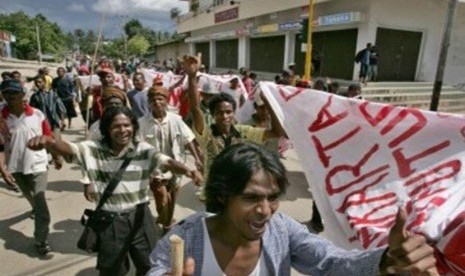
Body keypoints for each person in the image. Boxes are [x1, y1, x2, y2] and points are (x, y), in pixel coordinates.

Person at [147, 143, 438, 276]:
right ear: (223, 196)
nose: (265, 211)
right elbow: (158, 271)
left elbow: (331, 262)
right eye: (251, 198)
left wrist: (385, 260)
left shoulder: (282, 231)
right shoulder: (183, 240)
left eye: (273, 197)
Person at [27, 106, 203, 276]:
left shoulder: (143, 150)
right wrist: (50, 142)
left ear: (133, 127)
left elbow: (168, 162)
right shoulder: (93, 149)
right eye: (116, 126)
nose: (123, 130)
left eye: (127, 125)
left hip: (140, 218)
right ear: (107, 129)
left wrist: (188, 171)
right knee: (112, 270)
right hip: (110, 222)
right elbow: (69, 148)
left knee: (150, 265)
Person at [184, 55, 285, 200]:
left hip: (238, 192)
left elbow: (276, 132)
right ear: (213, 114)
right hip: (214, 193)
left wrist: (268, 103)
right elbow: (195, 109)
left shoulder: (244, 132)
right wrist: (192, 76)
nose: (225, 116)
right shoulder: (207, 134)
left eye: (228, 112)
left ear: (233, 113)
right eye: (220, 113)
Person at [0, 79, 61, 255]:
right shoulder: (1, 117)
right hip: (16, 167)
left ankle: (41, 239)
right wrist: (3, 168)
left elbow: (48, 137)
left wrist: (56, 156)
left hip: (38, 165)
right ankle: (34, 207)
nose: (10, 96)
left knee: (40, 201)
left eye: (13, 92)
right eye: (6, 93)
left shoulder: (36, 114)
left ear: (22, 94)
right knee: (30, 196)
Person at [139, 82, 202, 234]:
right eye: (153, 99)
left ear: (166, 101)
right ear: (149, 103)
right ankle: (167, 226)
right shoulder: (141, 123)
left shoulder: (176, 120)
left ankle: (167, 220)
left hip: (177, 168)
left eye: (161, 98)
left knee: (172, 200)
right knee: (161, 199)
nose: (157, 102)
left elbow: (188, 140)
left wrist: (197, 158)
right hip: (156, 170)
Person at [29, 76, 67, 143]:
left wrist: (63, 120)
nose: (38, 84)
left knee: (57, 142)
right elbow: (32, 110)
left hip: (54, 122)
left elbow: (60, 108)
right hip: (43, 123)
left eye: (40, 82)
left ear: (44, 82)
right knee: (46, 143)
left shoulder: (53, 94)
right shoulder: (35, 96)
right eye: (36, 83)